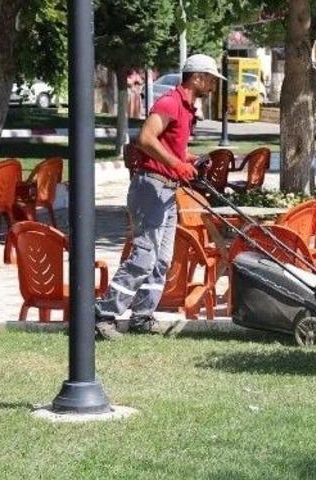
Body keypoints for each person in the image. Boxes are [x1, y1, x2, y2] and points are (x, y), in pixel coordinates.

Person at [95, 54, 225, 340]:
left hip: (167, 191)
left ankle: (142, 317)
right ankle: (103, 315)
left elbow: (171, 149)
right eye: (212, 79)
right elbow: (145, 138)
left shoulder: (187, 109)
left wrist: (191, 160)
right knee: (143, 256)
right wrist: (177, 165)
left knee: (162, 260)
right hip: (150, 189)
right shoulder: (169, 103)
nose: (214, 85)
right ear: (198, 77)